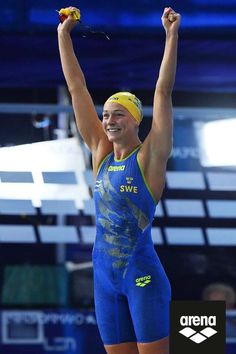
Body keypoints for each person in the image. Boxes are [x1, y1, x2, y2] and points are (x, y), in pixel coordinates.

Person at [57, 6, 180, 354]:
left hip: (143, 277)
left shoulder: (150, 157)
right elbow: (76, 87)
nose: (109, 120)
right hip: (104, 281)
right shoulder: (101, 153)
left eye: (118, 114)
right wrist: (64, 36)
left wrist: (171, 35)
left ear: (135, 121)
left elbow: (163, 92)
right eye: (106, 114)